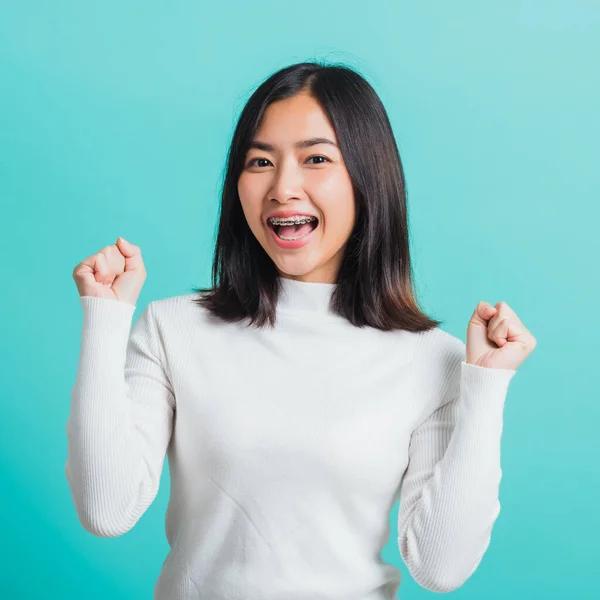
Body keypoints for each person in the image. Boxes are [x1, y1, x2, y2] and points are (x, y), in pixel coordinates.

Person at [66, 61, 536, 599]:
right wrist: (105, 319)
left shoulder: (434, 359)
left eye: (316, 159)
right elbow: (106, 508)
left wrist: (486, 386)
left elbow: (441, 567)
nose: (283, 187)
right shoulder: (174, 328)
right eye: (259, 161)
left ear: (368, 177)